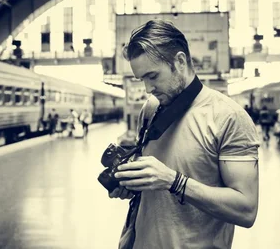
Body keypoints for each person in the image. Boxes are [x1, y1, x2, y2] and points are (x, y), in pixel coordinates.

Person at [109, 19, 260, 248]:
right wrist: (132, 186)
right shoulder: (151, 109)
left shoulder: (228, 117)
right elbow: (156, 189)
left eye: (153, 76)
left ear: (179, 61)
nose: (148, 89)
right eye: (142, 80)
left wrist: (174, 181)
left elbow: (246, 209)